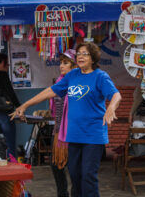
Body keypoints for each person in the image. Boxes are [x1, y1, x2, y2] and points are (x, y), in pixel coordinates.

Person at [11, 42, 122, 197]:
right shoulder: (72, 76)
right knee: (75, 176)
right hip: (74, 135)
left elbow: (116, 95)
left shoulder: (100, 77)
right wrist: (26, 104)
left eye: (85, 54)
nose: (81, 56)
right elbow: (51, 91)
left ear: (93, 58)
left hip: (93, 135)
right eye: (79, 54)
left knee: (88, 176)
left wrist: (111, 108)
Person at [49, 49, 77, 197]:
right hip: (59, 131)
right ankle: (62, 194)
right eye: (60, 62)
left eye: (65, 63)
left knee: (73, 168)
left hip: (73, 133)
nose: (61, 66)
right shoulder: (59, 82)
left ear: (74, 66)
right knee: (56, 165)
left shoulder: (77, 84)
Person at [0, 53, 20, 157]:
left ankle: (1, 165)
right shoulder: (2, 74)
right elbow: (11, 93)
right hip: (6, 113)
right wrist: (19, 107)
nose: (8, 65)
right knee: (10, 143)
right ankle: (12, 165)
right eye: (5, 63)